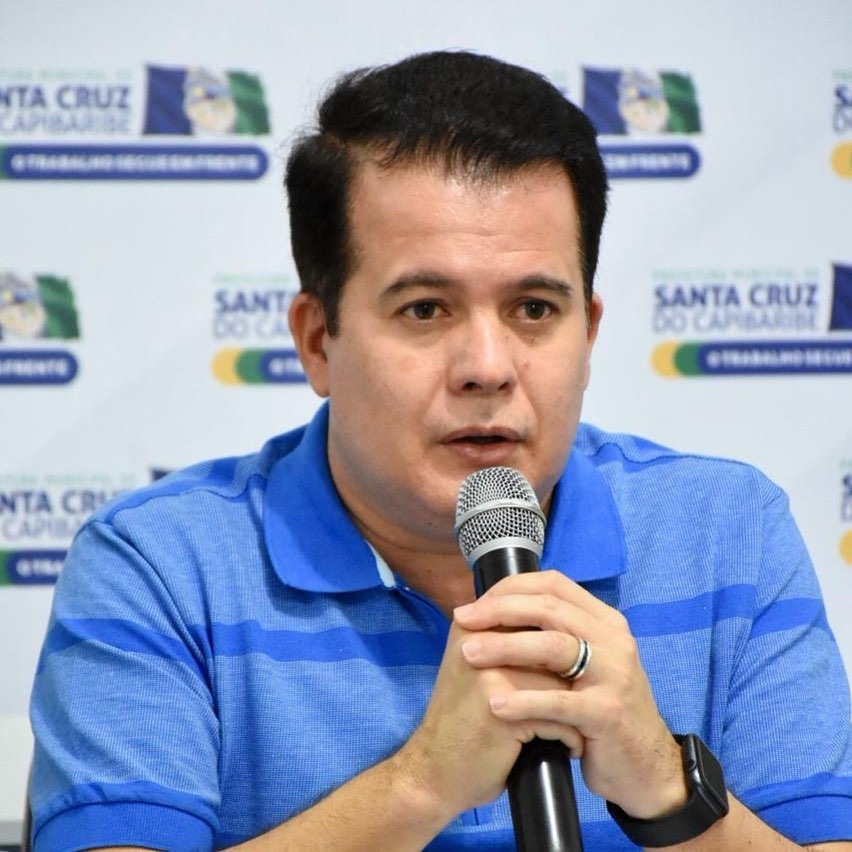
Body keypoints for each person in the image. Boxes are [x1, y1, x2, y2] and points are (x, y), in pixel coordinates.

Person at [28, 50, 852, 851]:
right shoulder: (159, 565)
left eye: (534, 309)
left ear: (588, 334)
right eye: (425, 309)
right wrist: (422, 784)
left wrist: (667, 785)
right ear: (317, 341)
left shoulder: (728, 534)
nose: (487, 368)